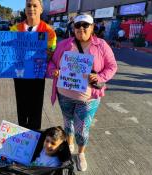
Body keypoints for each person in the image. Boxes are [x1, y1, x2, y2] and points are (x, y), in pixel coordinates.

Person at [47, 14, 117, 171]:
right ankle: (69, 143)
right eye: (78, 25)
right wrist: (54, 71)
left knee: (82, 129)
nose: (81, 28)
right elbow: (51, 63)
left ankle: (81, 153)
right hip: (64, 95)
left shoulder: (101, 45)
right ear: (73, 28)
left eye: (86, 25)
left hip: (88, 98)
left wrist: (99, 77)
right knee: (68, 123)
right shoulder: (65, 44)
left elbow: (112, 66)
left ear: (92, 28)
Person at [10, 0, 57, 130]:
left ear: (41, 9)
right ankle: (22, 132)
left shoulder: (49, 31)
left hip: (37, 73)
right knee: (21, 104)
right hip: (19, 73)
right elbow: (8, 51)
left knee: (36, 106)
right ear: (25, 9)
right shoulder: (15, 29)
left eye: (35, 6)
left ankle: (34, 134)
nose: (31, 8)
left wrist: (48, 54)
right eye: (28, 6)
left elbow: (53, 54)